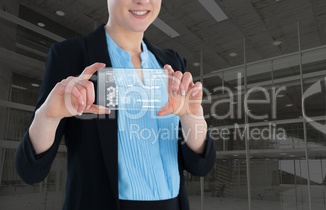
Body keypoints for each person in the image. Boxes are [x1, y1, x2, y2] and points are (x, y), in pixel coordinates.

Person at [14, 0, 216, 209]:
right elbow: (30, 170)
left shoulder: (172, 62)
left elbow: (200, 166)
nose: (142, 1)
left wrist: (192, 118)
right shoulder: (73, 55)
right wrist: (48, 117)